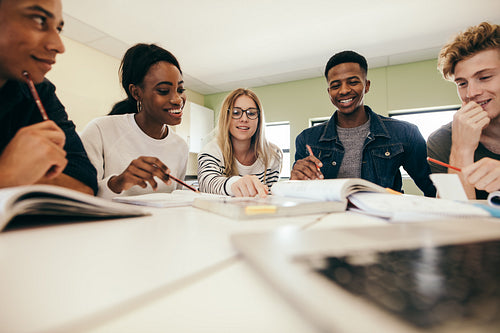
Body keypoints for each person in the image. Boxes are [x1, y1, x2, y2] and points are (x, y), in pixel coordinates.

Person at [291, 50, 436, 196]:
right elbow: (299, 195)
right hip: (327, 217)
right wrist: (295, 183)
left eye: (353, 82)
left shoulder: (405, 133)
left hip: (382, 216)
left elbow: (434, 190)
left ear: (366, 85)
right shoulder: (307, 139)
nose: (344, 90)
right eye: (335, 86)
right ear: (329, 92)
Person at [0, 0, 97, 195]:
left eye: (58, 28)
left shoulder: (39, 91)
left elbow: (84, 183)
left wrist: (18, 176)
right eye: (38, 19)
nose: (60, 46)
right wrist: (7, 176)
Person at [80, 43, 188, 198]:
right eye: (163, 91)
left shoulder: (180, 146)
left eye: (180, 90)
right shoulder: (100, 130)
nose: (177, 99)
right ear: (136, 93)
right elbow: (81, 197)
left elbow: (175, 198)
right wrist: (118, 182)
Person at [427, 22, 500, 199]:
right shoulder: (442, 139)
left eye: (484, 77)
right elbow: (456, 220)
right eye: (462, 83)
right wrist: (461, 149)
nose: (471, 93)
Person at [197, 88, 282, 197]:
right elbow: (206, 184)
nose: (244, 119)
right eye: (236, 112)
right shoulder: (211, 150)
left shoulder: (272, 155)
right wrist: (234, 184)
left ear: (259, 119)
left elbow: (269, 196)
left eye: (251, 113)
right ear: (226, 117)